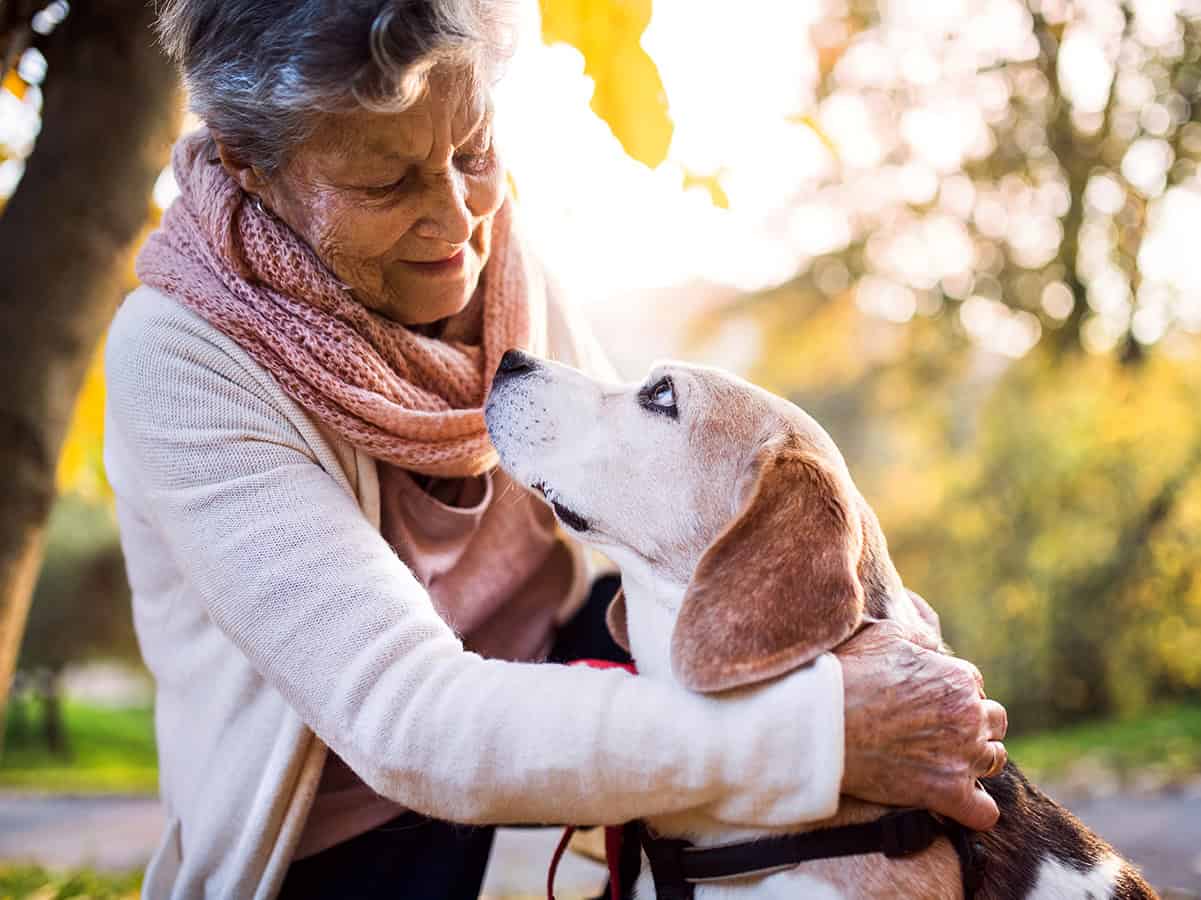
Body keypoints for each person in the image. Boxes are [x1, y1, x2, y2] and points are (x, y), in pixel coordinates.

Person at [103, 1, 1009, 897]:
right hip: (347, 826)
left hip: (566, 660)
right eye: (385, 184)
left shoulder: (498, 251)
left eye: (474, 152)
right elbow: (406, 719)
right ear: (247, 165)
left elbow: (644, 504)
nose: (458, 221)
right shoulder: (179, 358)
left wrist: (887, 661)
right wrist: (817, 731)